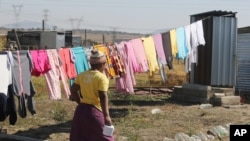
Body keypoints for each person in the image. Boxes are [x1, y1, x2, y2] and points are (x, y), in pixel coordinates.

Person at [69, 49, 114, 141]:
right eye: (105, 64)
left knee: (81, 136)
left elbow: (73, 90)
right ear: (102, 64)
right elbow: (103, 96)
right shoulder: (101, 78)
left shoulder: (82, 75)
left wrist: (80, 103)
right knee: (106, 137)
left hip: (81, 111)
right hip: (95, 112)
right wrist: (106, 116)